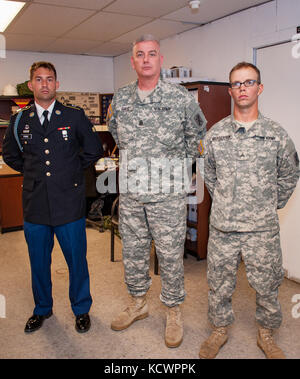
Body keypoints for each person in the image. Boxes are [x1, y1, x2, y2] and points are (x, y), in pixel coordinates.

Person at [107, 35, 206, 348]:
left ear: (161, 60)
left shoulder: (181, 99)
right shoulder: (120, 99)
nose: (146, 59)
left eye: (152, 54)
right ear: (133, 62)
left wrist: (177, 174)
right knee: (133, 253)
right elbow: (116, 135)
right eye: (140, 54)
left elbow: (197, 138)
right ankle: (139, 303)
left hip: (167, 196)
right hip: (132, 195)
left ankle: (173, 311)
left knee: (170, 255)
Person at [199, 62, 299, 359]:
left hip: (261, 228)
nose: (242, 88)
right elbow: (209, 174)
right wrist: (228, 202)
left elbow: (290, 174)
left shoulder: (276, 135)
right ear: (230, 91)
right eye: (237, 84)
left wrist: (270, 205)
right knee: (218, 283)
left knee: (268, 284)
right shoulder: (215, 135)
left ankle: (266, 334)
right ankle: (219, 330)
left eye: (248, 82)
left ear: (259, 88)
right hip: (223, 228)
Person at [3, 61, 103, 333]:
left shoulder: (74, 116)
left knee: (76, 260)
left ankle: (81, 309)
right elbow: (10, 155)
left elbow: (94, 150)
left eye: (49, 79)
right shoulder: (19, 120)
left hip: (68, 203)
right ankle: (42, 308)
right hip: (35, 204)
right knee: (38, 262)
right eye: (39, 79)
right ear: (31, 84)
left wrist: (69, 170)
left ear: (57, 84)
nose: (44, 83)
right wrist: (33, 172)